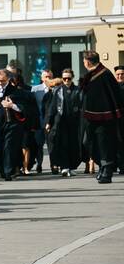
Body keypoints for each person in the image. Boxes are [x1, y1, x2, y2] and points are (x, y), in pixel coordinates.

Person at [79, 51, 122, 184]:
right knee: (90, 143)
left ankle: (107, 172)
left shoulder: (105, 73)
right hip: (90, 117)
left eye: (84, 60)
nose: (83, 62)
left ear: (88, 61)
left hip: (104, 118)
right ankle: (102, 167)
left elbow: (114, 95)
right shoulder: (91, 74)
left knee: (105, 145)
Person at [0, 69, 27, 180]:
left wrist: (12, 105)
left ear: (8, 80)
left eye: (3, 81)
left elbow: (23, 107)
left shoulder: (15, 91)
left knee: (9, 147)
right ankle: (1, 169)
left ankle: (8, 172)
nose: (0, 83)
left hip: (12, 123)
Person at [45, 68, 82, 176]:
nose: (66, 80)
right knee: (62, 144)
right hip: (60, 121)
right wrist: (49, 122)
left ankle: (71, 166)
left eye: (68, 78)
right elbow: (52, 107)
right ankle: (65, 167)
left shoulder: (78, 90)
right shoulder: (58, 90)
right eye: (64, 78)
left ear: (72, 78)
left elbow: (82, 105)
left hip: (74, 122)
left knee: (74, 144)